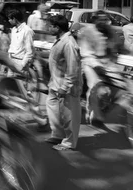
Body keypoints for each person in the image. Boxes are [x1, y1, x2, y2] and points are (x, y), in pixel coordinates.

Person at [77, 11, 122, 125]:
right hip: (90, 62)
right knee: (95, 86)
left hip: (107, 63)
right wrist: (96, 65)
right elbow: (86, 52)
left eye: (104, 19)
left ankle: (105, 107)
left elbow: (117, 47)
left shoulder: (110, 31)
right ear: (95, 20)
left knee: (119, 88)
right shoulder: (87, 32)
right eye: (100, 19)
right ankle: (91, 112)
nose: (103, 22)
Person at [45, 15, 82, 151]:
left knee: (69, 115)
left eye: (50, 26)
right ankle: (58, 134)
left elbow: (73, 69)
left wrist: (65, 87)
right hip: (55, 83)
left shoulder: (68, 43)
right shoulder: (60, 40)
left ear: (57, 27)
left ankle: (69, 142)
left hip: (67, 86)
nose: (48, 28)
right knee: (53, 109)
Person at [7, 9, 35, 75]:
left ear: (14, 19)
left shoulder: (27, 30)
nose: (9, 21)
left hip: (20, 61)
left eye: (10, 19)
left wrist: (23, 64)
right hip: (11, 61)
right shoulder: (13, 30)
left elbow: (30, 51)